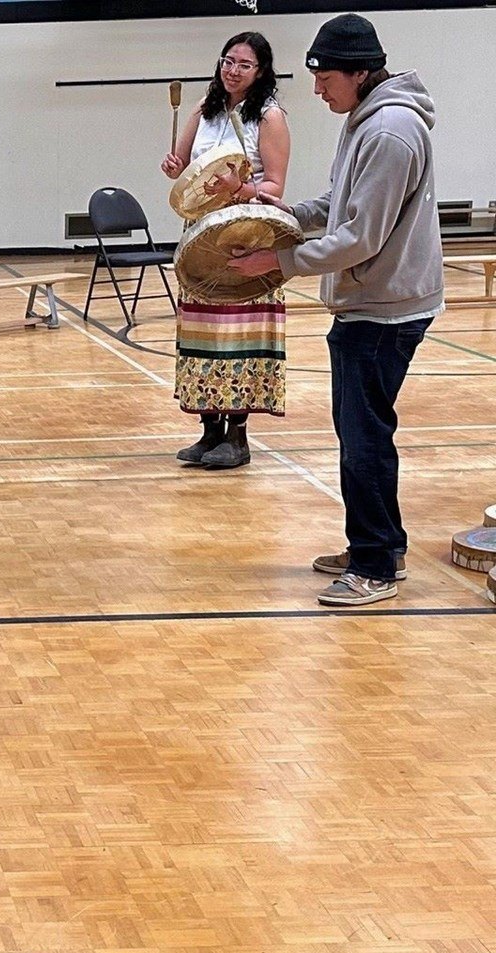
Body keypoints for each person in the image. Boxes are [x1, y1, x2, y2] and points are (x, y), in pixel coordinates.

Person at [229, 13, 442, 606]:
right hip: (376, 301)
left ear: (358, 72)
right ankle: (383, 543)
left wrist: (277, 263)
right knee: (364, 431)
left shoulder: (389, 132)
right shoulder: (366, 119)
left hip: (384, 308)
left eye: (325, 78)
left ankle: (374, 565)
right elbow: (338, 203)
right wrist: (278, 217)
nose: (317, 88)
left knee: (363, 438)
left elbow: (361, 238)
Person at [161, 31, 291, 469]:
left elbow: (275, 186)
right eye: (228, 61)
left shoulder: (270, 117)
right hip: (201, 232)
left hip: (245, 232)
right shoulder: (203, 108)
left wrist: (241, 189)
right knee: (202, 334)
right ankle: (208, 431)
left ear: (261, 72)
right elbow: (183, 171)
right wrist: (174, 167)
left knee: (238, 335)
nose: (232, 71)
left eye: (244, 65)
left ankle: (237, 437)